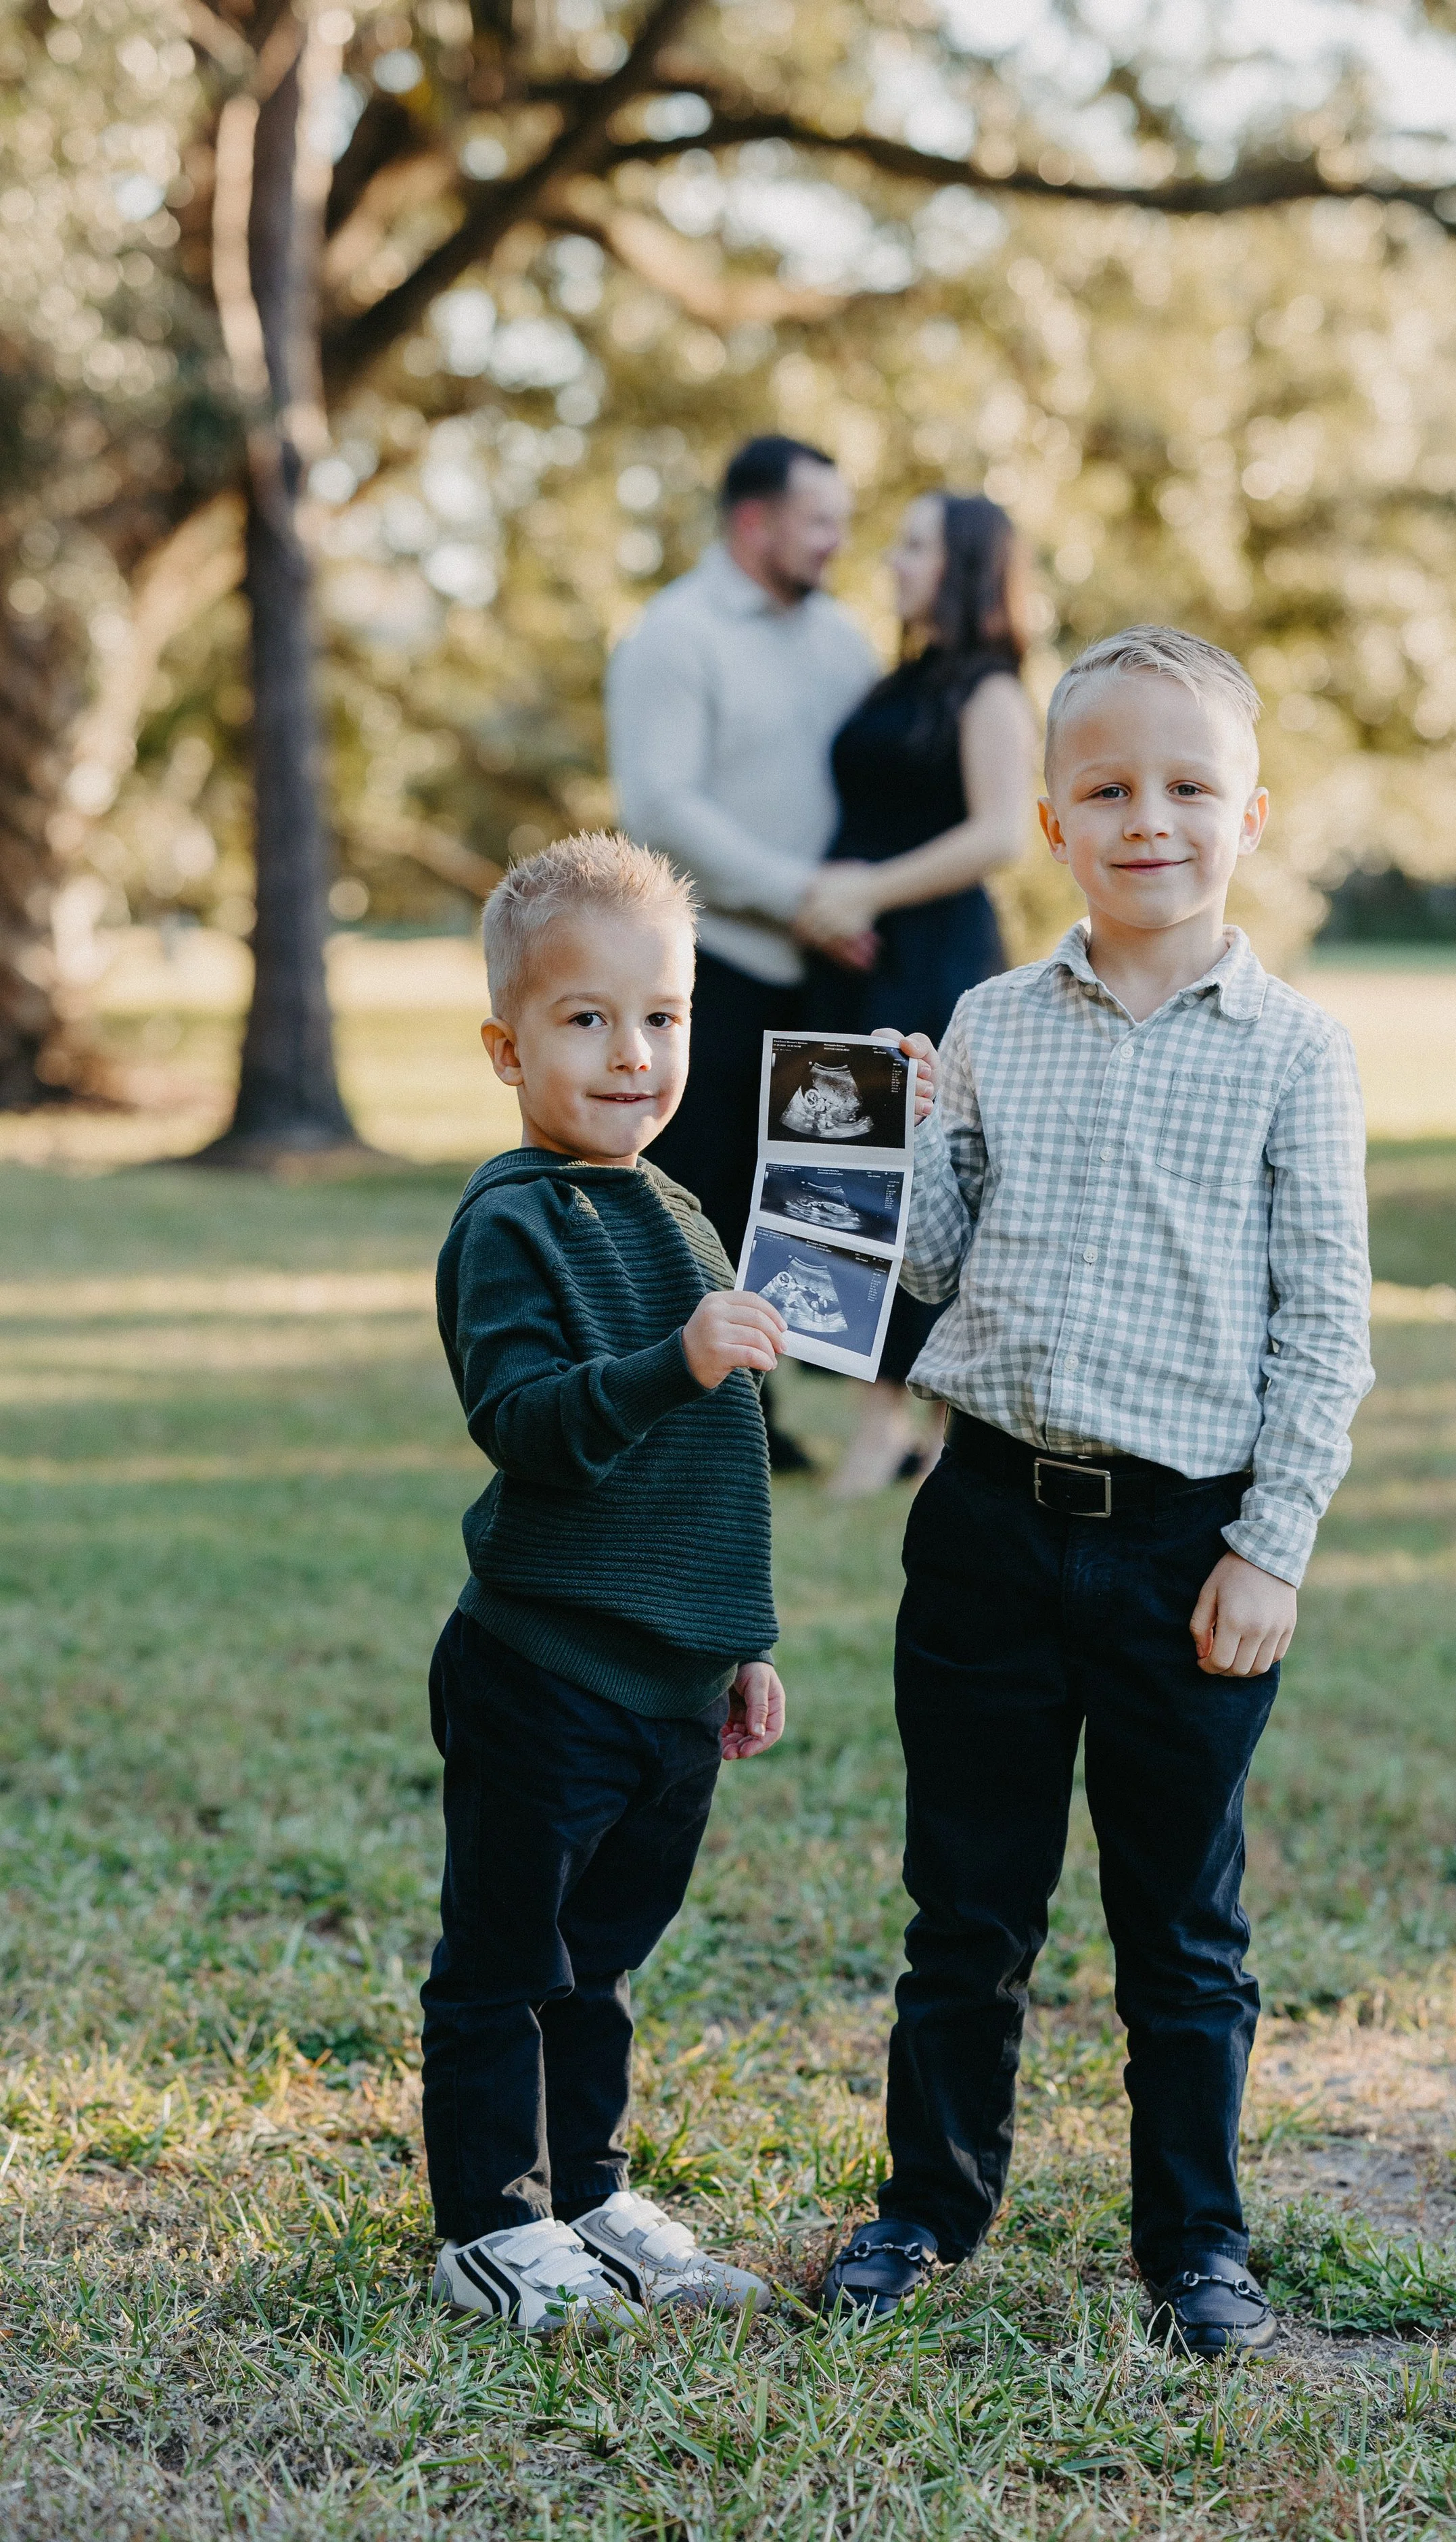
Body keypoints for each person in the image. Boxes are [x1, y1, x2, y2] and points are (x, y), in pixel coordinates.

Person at [823, 628, 1375, 2357]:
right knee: (964, 1911)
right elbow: (921, 1269)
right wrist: (895, 1143)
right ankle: (926, 2207)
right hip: (986, 1524)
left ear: (1248, 818)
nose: (1151, 819)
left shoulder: (1294, 1050)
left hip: (1183, 1550)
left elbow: (1325, 1326)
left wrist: (1267, 1549)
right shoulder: (987, 1022)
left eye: (1188, 787)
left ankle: (1194, 2246)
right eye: (1110, 789)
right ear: (1053, 821)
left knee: (1180, 1933)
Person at [421, 832, 791, 2336]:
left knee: (604, 1961)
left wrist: (742, 1645)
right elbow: (527, 1422)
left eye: (664, 1016)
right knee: (507, 1959)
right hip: (541, 1671)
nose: (634, 1054)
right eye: (587, 1020)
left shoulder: (680, 1208)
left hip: (666, 1689)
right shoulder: (511, 1221)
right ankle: (490, 2224)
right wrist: (676, 1355)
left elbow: (718, 1466)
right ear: (509, 1046)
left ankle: (591, 2190)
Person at [606, 436, 880, 1470]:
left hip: (834, 966)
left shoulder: (844, 639)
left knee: (816, 1210)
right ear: (755, 523)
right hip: (712, 962)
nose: (837, 540)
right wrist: (797, 895)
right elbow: (660, 806)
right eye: (819, 520)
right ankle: (704, 1420)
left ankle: (796, 1413)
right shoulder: (674, 636)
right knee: (703, 1200)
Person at [800, 492, 1036, 1498]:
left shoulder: (990, 692)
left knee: (930, 1180)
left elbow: (1001, 835)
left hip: (936, 960)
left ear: (967, 565)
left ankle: (933, 1429)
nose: (889, 562)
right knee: (840, 1177)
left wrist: (868, 889)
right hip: (852, 964)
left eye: (913, 547)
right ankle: (873, 1416)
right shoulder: (895, 680)